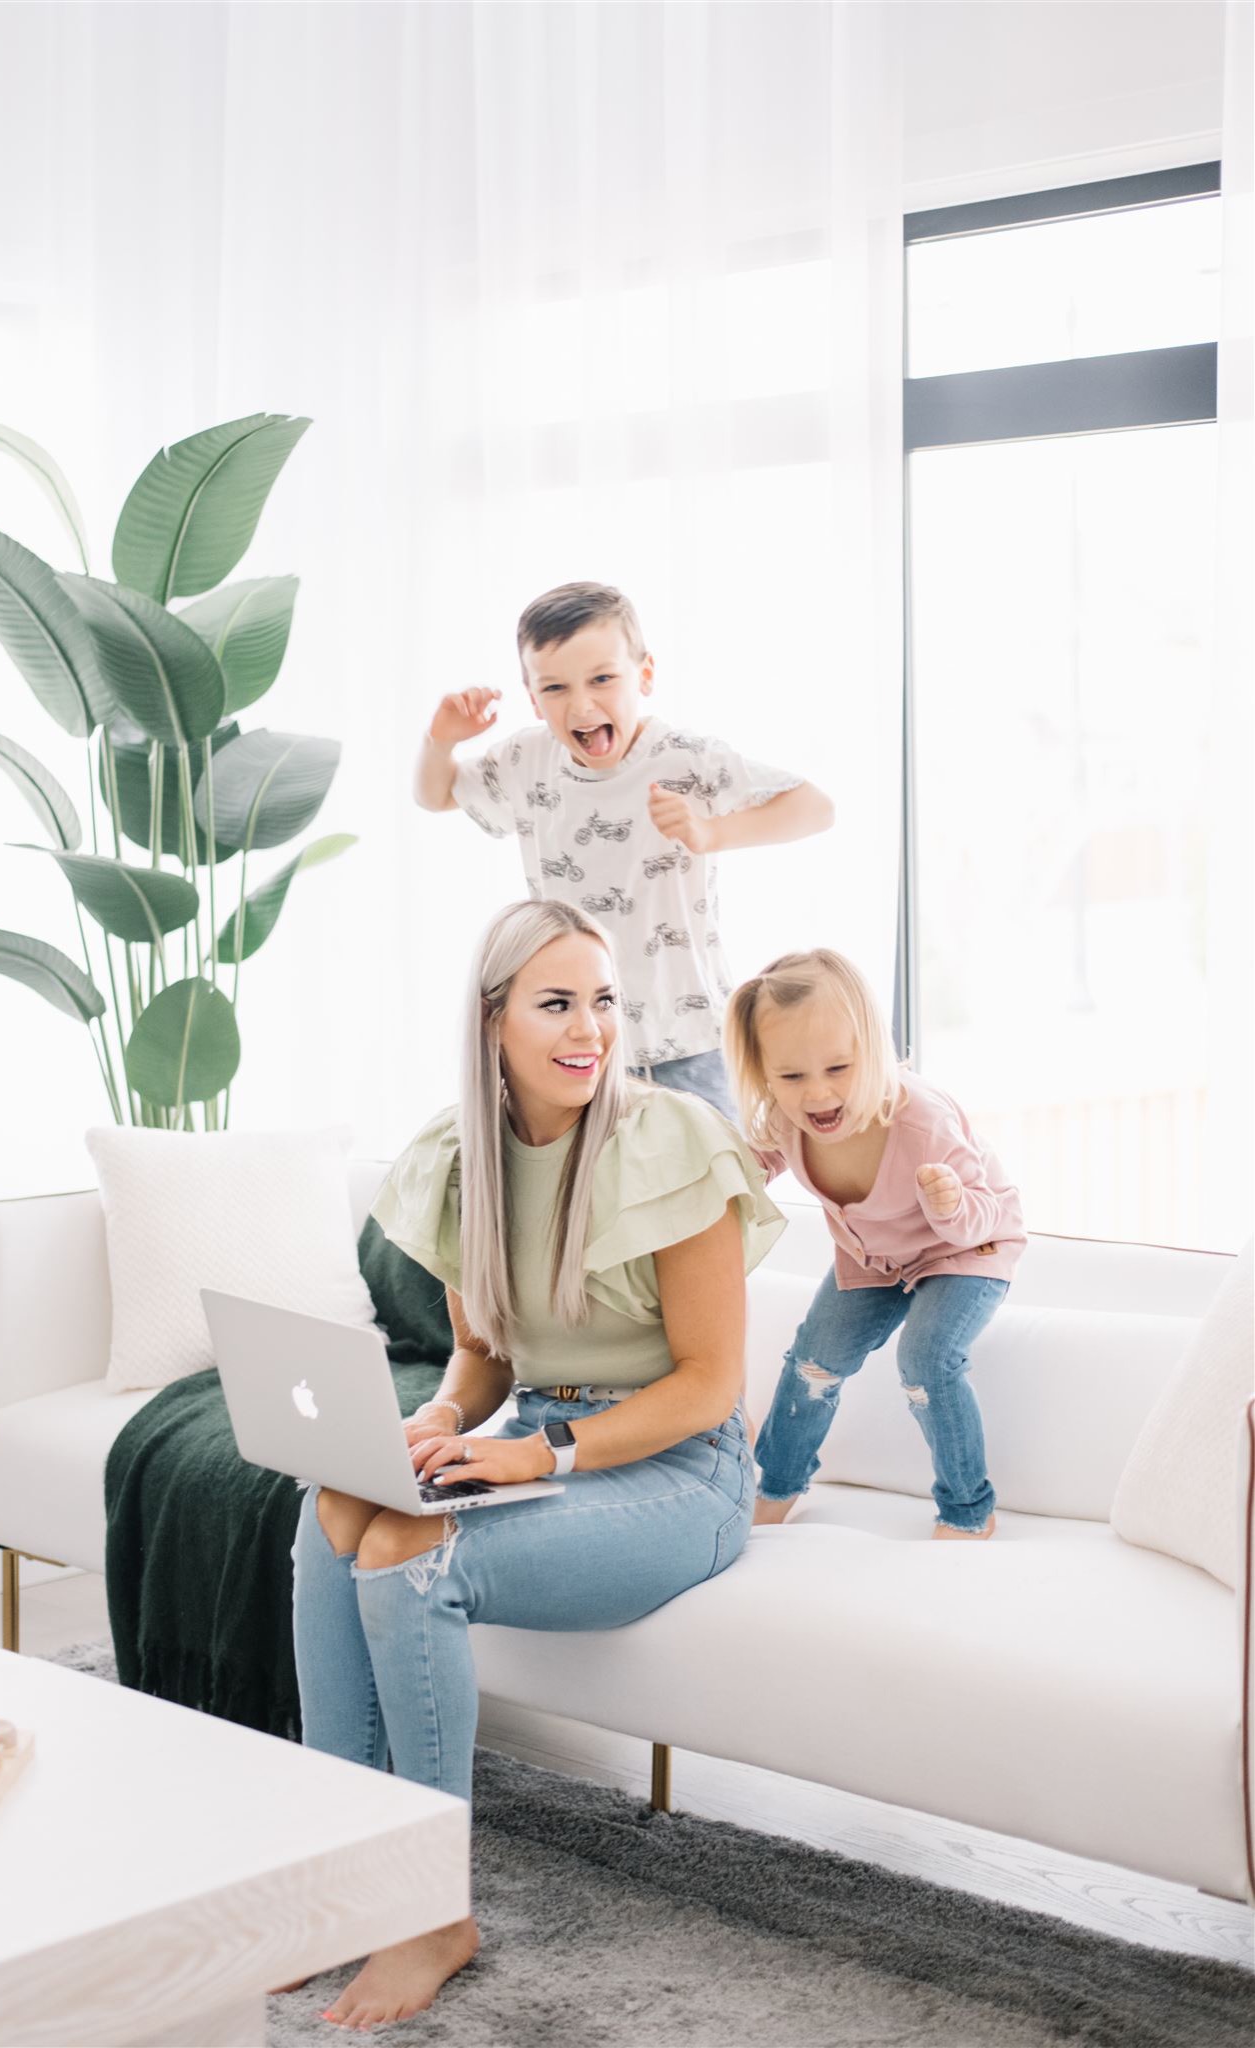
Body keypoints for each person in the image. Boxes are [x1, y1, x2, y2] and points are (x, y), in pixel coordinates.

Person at [293, 900, 784, 2030]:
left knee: (411, 1552)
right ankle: (338, 1876)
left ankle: (430, 1908)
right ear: (492, 1020)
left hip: (680, 1469)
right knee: (333, 1508)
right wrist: (431, 1421)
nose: (590, 1028)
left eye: (603, 1000)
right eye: (557, 1002)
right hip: (541, 1438)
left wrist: (538, 1452)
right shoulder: (458, 1159)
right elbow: (480, 1355)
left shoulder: (672, 1139)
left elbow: (710, 1382)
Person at [413, 580, 834, 1117]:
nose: (583, 705)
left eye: (603, 679)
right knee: (587, 1192)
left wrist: (711, 834)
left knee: (707, 1186)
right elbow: (436, 794)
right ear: (534, 699)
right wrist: (441, 741)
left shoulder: (685, 759)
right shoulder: (526, 761)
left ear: (646, 675)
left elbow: (816, 807)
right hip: (576, 1043)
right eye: (556, 688)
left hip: (687, 1038)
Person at [723, 948, 1023, 1541]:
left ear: (873, 1051)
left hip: (967, 1248)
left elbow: (984, 1211)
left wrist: (950, 1208)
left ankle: (968, 1511)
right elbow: (748, 1166)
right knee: (813, 1359)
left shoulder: (920, 1121)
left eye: (839, 1069)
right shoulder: (789, 1119)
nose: (817, 1096)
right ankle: (776, 1486)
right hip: (876, 1259)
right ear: (763, 1074)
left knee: (926, 1359)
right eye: (791, 1076)